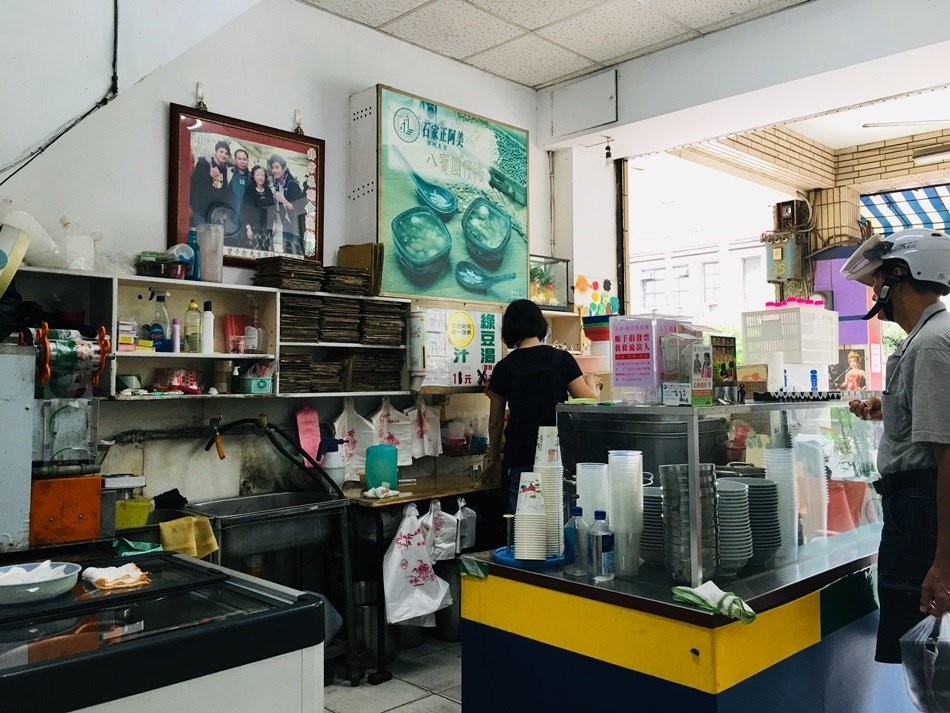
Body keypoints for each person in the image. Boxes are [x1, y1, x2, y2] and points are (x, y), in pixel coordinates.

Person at [843, 228, 950, 664]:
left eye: (877, 279)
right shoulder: (927, 337)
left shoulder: (931, 344)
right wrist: (883, 408)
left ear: (902, 275)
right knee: (919, 652)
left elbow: (947, 455)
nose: (873, 290)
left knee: (922, 657)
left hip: (923, 512)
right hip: (915, 509)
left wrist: (942, 563)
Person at [481, 299, 597, 513]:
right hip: (558, 455)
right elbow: (588, 402)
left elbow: (495, 422)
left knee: (524, 525)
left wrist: (494, 459)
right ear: (540, 325)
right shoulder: (562, 359)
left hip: (520, 455)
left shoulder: (504, 367)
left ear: (509, 329)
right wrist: (591, 384)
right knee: (558, 522)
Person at [269, 154, 305, 255]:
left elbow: (297, 210)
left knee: (295, 252)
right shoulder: (277, 184)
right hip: (286, 223)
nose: (274, 170)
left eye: (277, 167)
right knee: (286, 251)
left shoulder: (292, 184)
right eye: (272, 167)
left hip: (295, 227)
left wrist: (283, 200)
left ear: (284, 168)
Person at [189, 140, 231, 226]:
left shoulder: (223, 169)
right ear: (215, 152)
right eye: (221, 151)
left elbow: (224, 190)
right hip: (201, 210)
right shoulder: (204, 163)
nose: (224, 155)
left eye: (226, 153)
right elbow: (195, 184)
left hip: (215, 213)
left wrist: (225, 209)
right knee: (202, 237)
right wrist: (210, 175)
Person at [241, 165, 276, 251]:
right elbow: (246, 209)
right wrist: (248, 228)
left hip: (267, 227)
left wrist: (274, 224)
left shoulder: (268, 190)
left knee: (266, 251)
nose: (260, 177)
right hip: (254, 228)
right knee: (254, 252)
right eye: (258, 174)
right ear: (253, 175)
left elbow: (272, 209)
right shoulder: (249, 190)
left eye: (262, 175)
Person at [228, 148, 251, 216]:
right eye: (239, 159)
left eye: (244, 159)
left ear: (247, 161)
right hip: (231, 214)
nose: (242, 161)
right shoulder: (228, 173)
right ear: (235, 160)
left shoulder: (251, 177)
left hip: (247, 216)